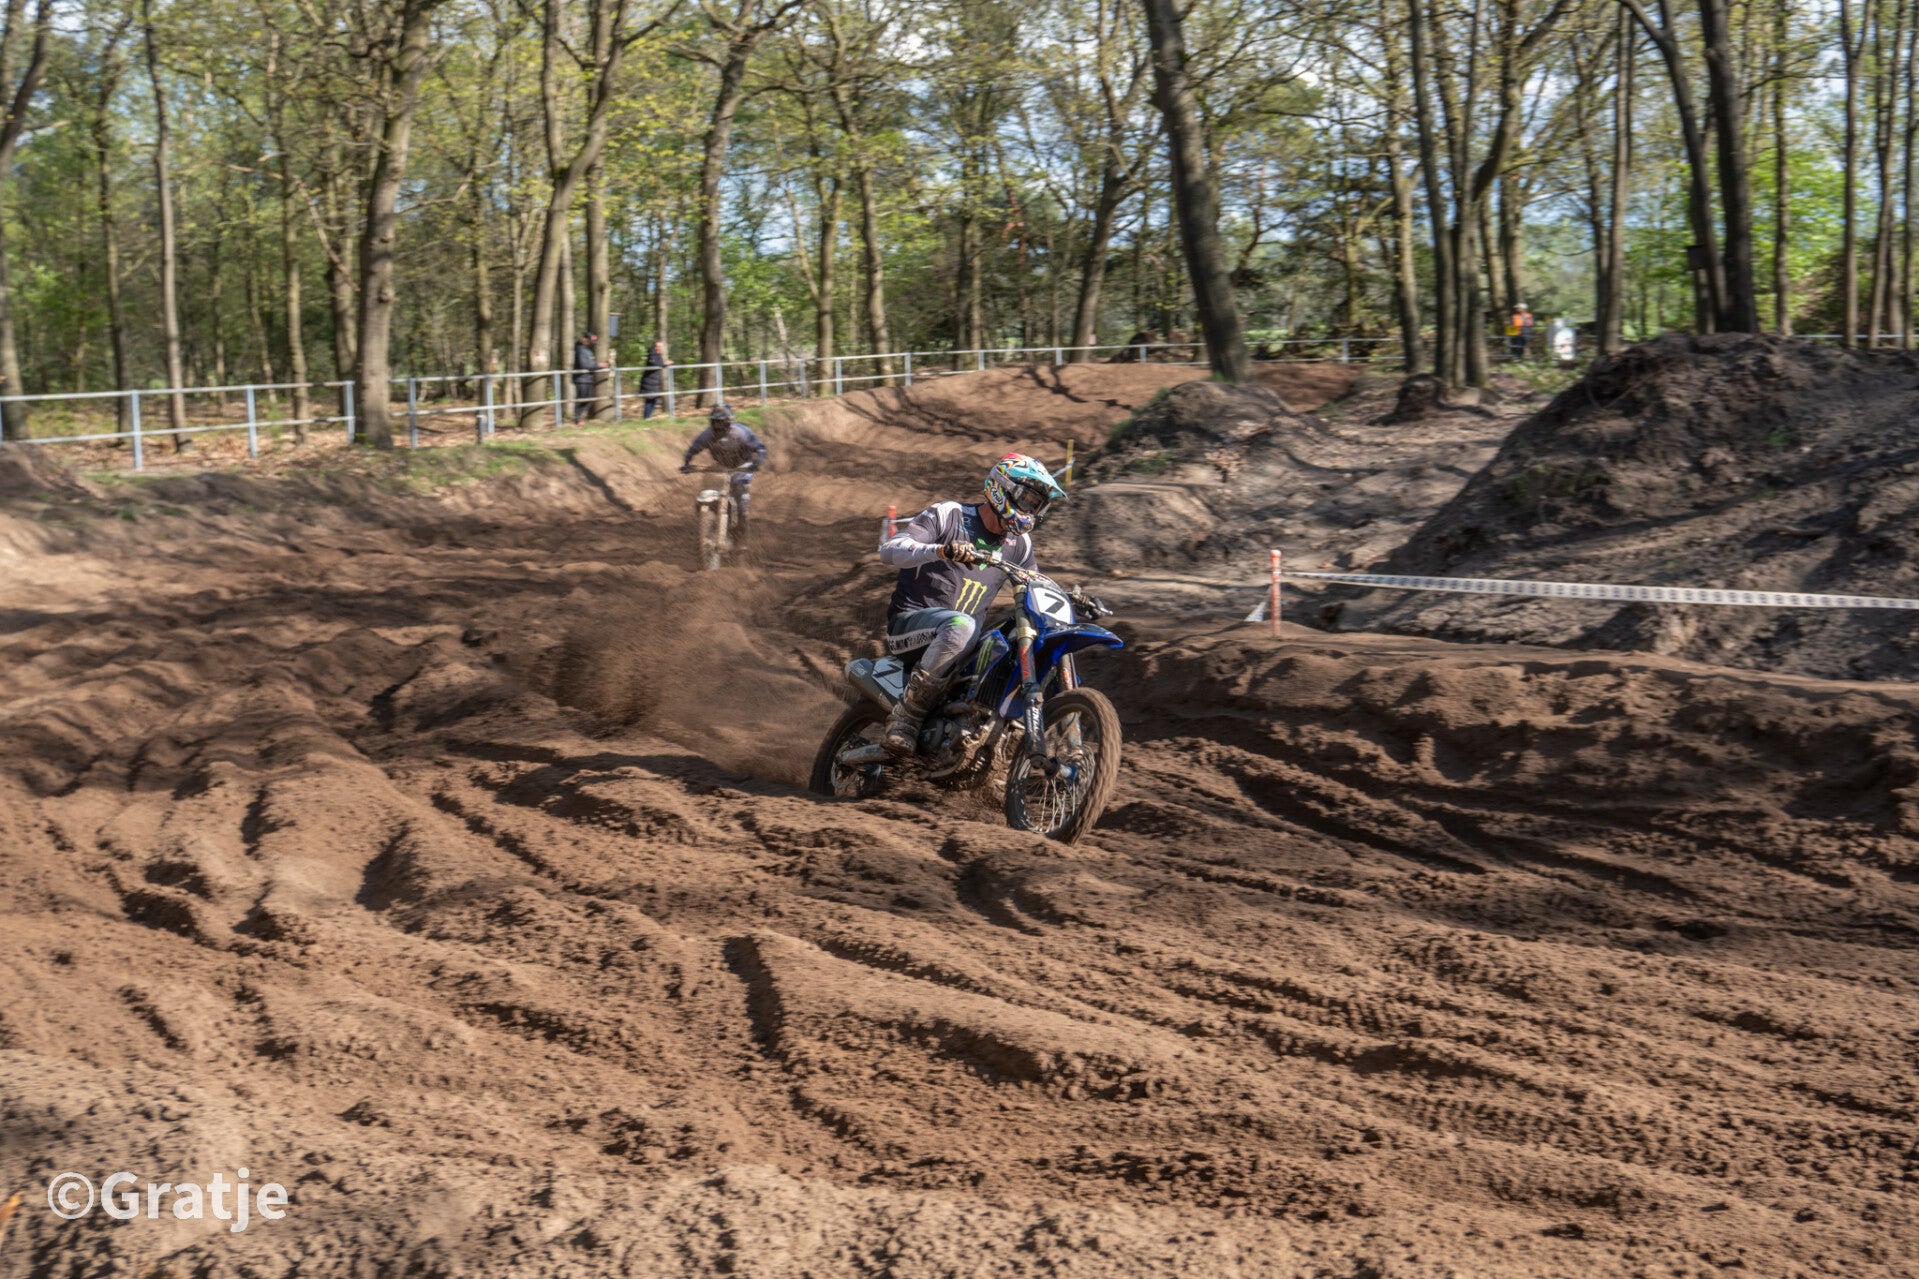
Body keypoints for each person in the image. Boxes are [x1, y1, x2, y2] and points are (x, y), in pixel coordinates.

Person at [875, 453, 1067, 757]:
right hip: (910, 626)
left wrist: (1072, 601)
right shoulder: (949, 514)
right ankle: (906, 718)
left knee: (1007, 643)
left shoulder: (1020, 545)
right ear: (1003, 488)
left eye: (1037, 504)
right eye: (1027, 499)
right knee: (961, 625)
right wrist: (942, 550)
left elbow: (1036, 585)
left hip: (964, 642)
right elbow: (890, 550)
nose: (1030, 509)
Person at [680, 403, 768, 542]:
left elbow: (760, 448)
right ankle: (706, 519)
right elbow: (693, 449)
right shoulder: (707, 435)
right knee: (708, 486)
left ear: (729, 422)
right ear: (711, 422)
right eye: (716, 422)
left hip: (742, 465)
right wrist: (686, 463)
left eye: (721, 422)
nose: (718, 425)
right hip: (721, 465)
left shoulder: (741, 433)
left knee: (740, 494)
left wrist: (757, 462)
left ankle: (740, 534)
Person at [573, 333, 607, 425]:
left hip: (587, 379)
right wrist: (598, 365)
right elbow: (585, 365)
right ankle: (577, 419)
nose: (591, 344)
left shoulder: (586, 350)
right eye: (590, 342)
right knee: (582, 399)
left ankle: (579, 417)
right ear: (584, 340)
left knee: (589, 399)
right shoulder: (580, 349)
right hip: (581, 379)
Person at [640, 339, 671, 419]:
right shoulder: (652, 354)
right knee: (649, 400)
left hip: (654, 382)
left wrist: (665, 364)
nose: (660, 348)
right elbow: (655, 364)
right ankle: (646, 418)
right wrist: (665, 363)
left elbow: (659, 364)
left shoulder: (657, 355)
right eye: (658, 346)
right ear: (655, 347)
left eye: (661, 346)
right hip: (649, 382)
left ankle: (648, 417)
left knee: (654, 400)